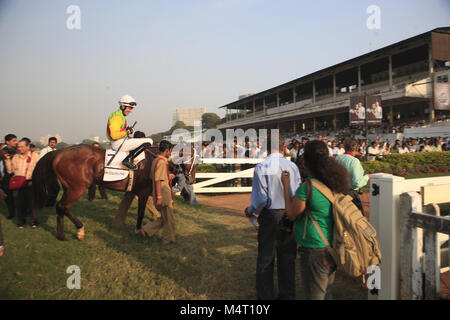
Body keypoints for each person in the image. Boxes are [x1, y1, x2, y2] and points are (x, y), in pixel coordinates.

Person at [281, 140, 350, 300]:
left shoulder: (308, 187)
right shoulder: (334, 182)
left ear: (307, 161)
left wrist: (285, 186)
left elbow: (291, 214)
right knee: (326, 291)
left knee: (315, 295)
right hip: (331, 244)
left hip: (314, 249)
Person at [244, 136, 301, 300]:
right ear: (283, 147)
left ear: (265, 148)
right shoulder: (292, 166)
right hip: (289, 213)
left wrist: (251, 210)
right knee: (287, 258)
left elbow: (261, 198)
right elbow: (296, 193)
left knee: (266, 258)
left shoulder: (262, 167)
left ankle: (265, 296)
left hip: (270, 215)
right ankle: (287, 295)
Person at [139, 140, 176, 245]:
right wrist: (159, 197)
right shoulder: (162, 162)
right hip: (163, 192)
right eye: (170, 151)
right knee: (169, 218)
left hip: (159, 191)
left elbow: (155, 176)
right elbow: (158, 180)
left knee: (166, 217)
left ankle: (146, 230)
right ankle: (168, 239)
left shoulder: (156, 160)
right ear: (167, 150)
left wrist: (168, 176)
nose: (171, 154)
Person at [107, 95, 153, 170]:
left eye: (132, 108)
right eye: (129, 108)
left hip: (119, 142)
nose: (131, 110)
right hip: (117, 143)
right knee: (149, 141)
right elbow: (113, 135)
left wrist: (127, 131)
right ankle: (128, 160)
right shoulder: (117, 117)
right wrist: (126, 132)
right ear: (122, 106)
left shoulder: (121, 116)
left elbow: (120, 132)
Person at [4, 138, 40, 228]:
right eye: (18, 147)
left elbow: (40, 171)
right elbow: (10, 171)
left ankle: (34, 222)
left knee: (32, 204)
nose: (19, 149)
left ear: (28, 147)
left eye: (22, 147)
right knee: (19, 204)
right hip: (18, 184)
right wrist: (7, 160)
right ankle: (21, 222)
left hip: (30, 183)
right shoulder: (16, 157)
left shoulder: (35, 156)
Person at [335, 138, 369, 217]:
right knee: (357, 220)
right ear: (356, 148)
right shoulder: (354, 161)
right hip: (351, 195)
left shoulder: (337, 158)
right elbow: (357, 182)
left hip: (338, 194)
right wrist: (367, 177)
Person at [40, 136, 60, 206]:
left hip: (53, 172)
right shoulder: (44, 151)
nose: (52, 144)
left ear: (56, 143)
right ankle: (47, 203)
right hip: (46, 172)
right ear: (48, 143)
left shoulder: (57, 151)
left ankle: (50, 202)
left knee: (56, 188)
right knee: (49, 189)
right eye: (51, 142)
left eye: (54, 142)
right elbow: (41, 161)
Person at [1, 134, 18, 219]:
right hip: (7, 176)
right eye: (14, 141)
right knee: (8, 196)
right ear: (7, 142)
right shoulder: (3, 151)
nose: (16, 142)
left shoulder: (18, 150)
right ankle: (11, 212)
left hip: (17, 175)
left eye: (16, 140)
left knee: (18, 195)